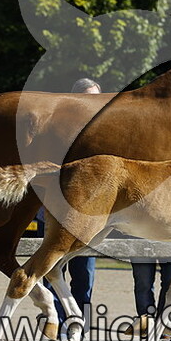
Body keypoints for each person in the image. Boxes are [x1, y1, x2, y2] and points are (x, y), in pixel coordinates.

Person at [47, 78, 101, 326]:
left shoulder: (105, 132)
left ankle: (80, 327)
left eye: (96, 97)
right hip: (58, 208)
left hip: (90, 214)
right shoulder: (58, 129)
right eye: (87, 97)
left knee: (85, 274)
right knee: (54, 267)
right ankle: (58, 321)